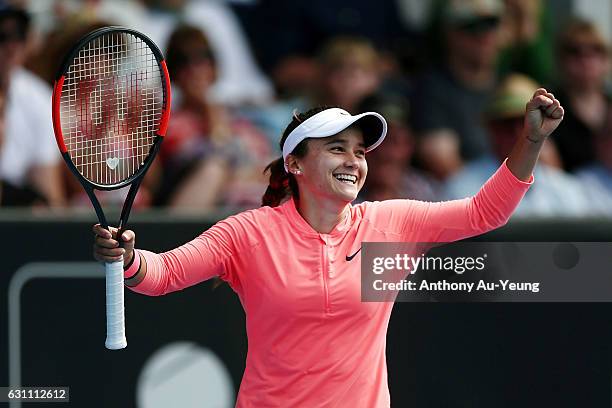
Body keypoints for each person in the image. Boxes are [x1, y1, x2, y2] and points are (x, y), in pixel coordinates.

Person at [93, 88, 563, 406]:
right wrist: (129, 258)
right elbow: (163, 274)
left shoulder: (389, 223)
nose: (354, 161)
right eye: (337, 148)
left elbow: (486, 212)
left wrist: (531, 140)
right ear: (295, 163)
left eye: (359, 151)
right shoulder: (247, 233)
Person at [444, 74, 591, 217]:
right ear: (491, 128)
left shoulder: (569, 191)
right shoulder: (461, 187)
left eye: (525, 122)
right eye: (507, 123)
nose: (517, 132)